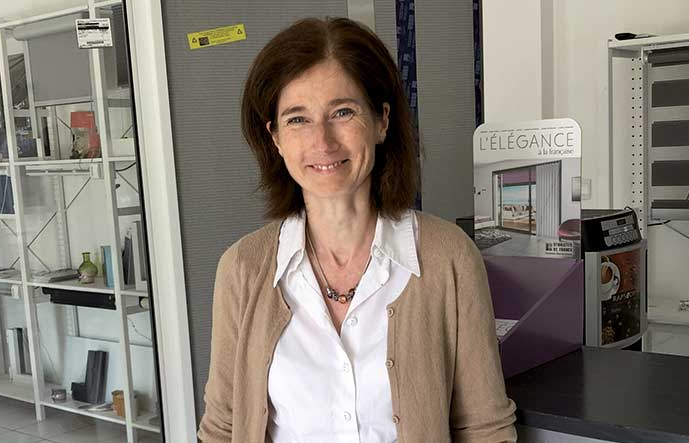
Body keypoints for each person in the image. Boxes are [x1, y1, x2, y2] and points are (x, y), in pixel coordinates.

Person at [198, 17, 517, 443]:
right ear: (274, 138)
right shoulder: (242, 268)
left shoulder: (449, 258)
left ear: (381, 120)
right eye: (297, 119)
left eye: (342, 112)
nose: (323, 142)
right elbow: (222, 427)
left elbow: (485, 430)